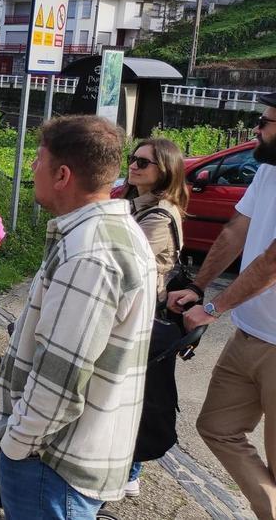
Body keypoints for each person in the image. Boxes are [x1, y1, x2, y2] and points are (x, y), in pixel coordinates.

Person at [0, 115, 155, 519]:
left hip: (51, 462)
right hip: (73, 454)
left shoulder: (88, 255)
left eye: (37, 160)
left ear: (62, 174)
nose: (31, 168)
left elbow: (61, 376)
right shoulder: (118, 232)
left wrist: (17, 443)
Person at [169, 92, 276, 520]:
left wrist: (213, 309)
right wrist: (198, 286)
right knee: (216, 426)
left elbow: (271, 262)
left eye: (266, 122)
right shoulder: (268, 170)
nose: (257, 128)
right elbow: (235, 231)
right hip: (250, 333)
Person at [118, 137, 188, 497]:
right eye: (133, 159)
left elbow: (123, 260)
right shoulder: (138, 203)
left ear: (165, 172)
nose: (134, 165)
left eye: (143, 163)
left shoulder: (159, 215)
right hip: (133, 311)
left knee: (135, 394)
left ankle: (130, 470)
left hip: (143, 316)